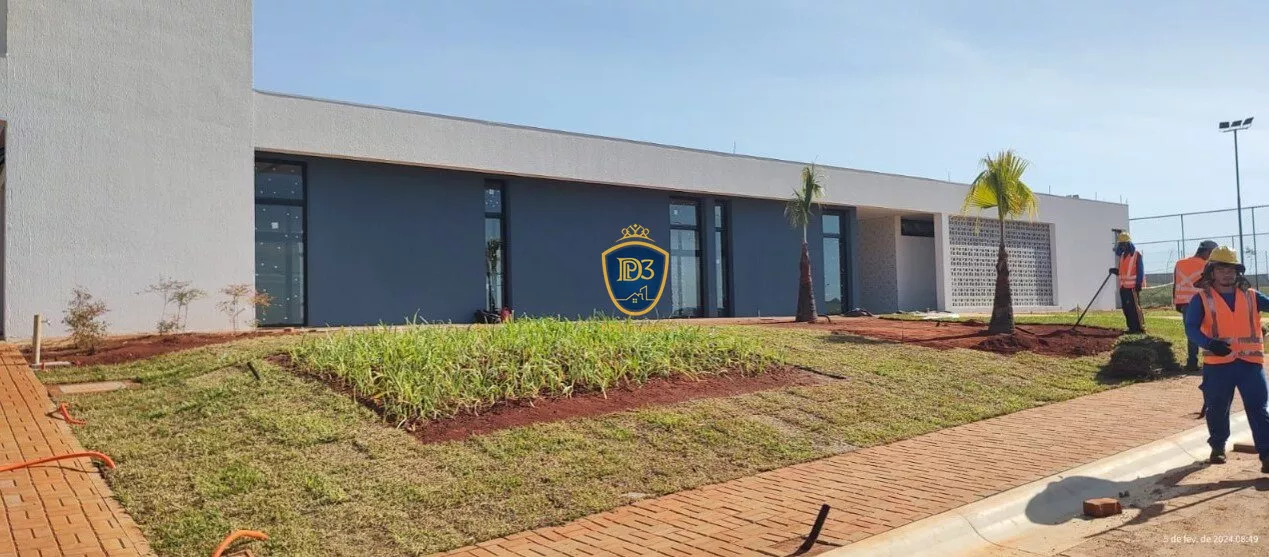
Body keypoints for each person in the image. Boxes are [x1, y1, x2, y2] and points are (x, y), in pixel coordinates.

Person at [1183, 246, 1269, 469]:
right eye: (1222, 269)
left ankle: (1267, 455)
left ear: (1237, 272)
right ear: (1211, 272)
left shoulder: (1251, 296)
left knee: (1259, 408)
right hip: (1218, 365)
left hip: (1250, 364)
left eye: (1231, 269)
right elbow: (1191, 327)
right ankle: (1218, 446)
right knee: (1217, 408)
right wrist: (1209, 343)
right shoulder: (1201, 299)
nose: (1227, 274)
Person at [1174, 240, 1218, 371]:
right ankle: (1213, 360)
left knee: (1192, 332)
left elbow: (1175, 283)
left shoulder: (1179, 263)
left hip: (1185, 303)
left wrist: (1176, 302)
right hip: (1202, 302)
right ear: (1208, 252)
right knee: (1210, 330)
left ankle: (1192, 362)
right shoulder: (1207, 266)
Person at [1110, 232, 1145, 334]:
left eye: (1124, 244)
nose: (1122, 246)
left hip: (1133, 287)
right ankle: (1131, 327)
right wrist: (1115, 271)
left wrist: (1138, 284)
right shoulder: (1122, 256)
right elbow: (1122, 272)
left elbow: (1140, 270)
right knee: (1126, 308)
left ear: (1128, 244)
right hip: (1123, 287)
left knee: (1134, 308)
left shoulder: (1136, 255)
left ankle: (1139, 328)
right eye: (1121, 244)